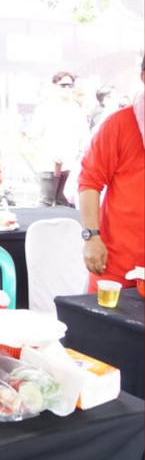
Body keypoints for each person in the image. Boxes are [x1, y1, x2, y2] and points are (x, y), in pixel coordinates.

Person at [78, 60, 144, 292]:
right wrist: (92, 237)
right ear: (144, 77)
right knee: (105, 327)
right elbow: (89, 182)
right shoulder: (119, 124)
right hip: (118, 265)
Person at [26, 71, 88, 207]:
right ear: (54, 86)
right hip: (48, 164)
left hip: (71, 164)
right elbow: (33, 136)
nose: (67, 88)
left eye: (70, 85)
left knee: (65, 203)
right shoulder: (44, 108)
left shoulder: (77, 110)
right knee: (46, 202)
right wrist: (50, 154)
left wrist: (78, 152)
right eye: (63, 85)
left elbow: (84, 136)